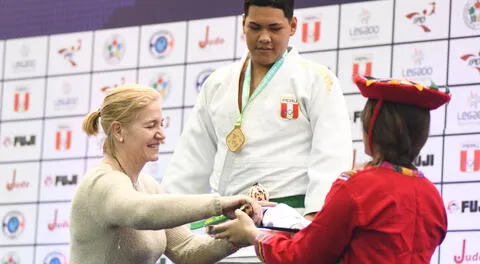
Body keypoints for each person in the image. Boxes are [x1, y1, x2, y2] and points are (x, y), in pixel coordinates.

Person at [208, 75, 450, 264]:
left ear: (372, 129)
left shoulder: (358, 186)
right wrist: (279, 215)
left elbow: (305, 256)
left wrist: (253, 235)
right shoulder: (432, 196)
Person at [163, 0, 352, 221]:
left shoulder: (317, 80)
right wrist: (169, 218)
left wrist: (315, 221)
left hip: (287, 221)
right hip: (225, 221)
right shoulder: (218, 82)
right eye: (255, 27)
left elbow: (331, 156)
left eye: (274, 28)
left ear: (292, 26)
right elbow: (192, 158)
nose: (264, 37)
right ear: (243, 24)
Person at [69, 84, 263, 264]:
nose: (162, 135)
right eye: (151, 125)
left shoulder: (149, 186)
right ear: (118, 130)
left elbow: (186, 250)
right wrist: (219, 204)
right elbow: (141, 213)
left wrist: (237, 238)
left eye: (161, 124)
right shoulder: (102, 182)